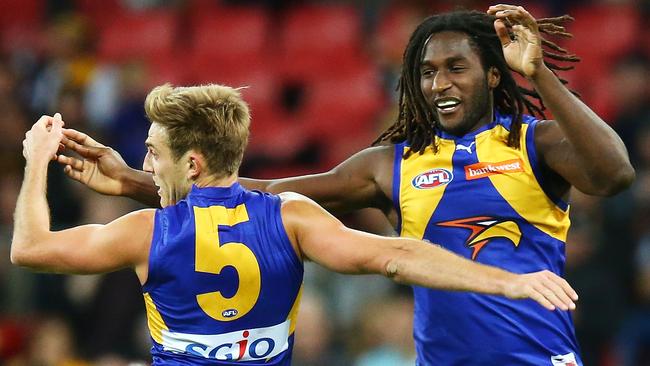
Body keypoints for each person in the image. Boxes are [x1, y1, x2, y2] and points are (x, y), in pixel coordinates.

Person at [52, 4, 633, 365]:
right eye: (427, 73)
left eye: (456, 68)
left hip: (537, 357)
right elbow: (255, 198)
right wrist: (135, 181)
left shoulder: (538, 142)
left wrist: (539, 73)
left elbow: (614, 173)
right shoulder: (390, 164)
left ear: (492, 72)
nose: (438, 84)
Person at [13, 84, 578, 365]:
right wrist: (508, 281)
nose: (144, 166)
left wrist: (38, 159)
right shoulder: (291, 215)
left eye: (153, 153)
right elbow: (397, 255)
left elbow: (30, 248)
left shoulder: (145, 231)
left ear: (192, 163)